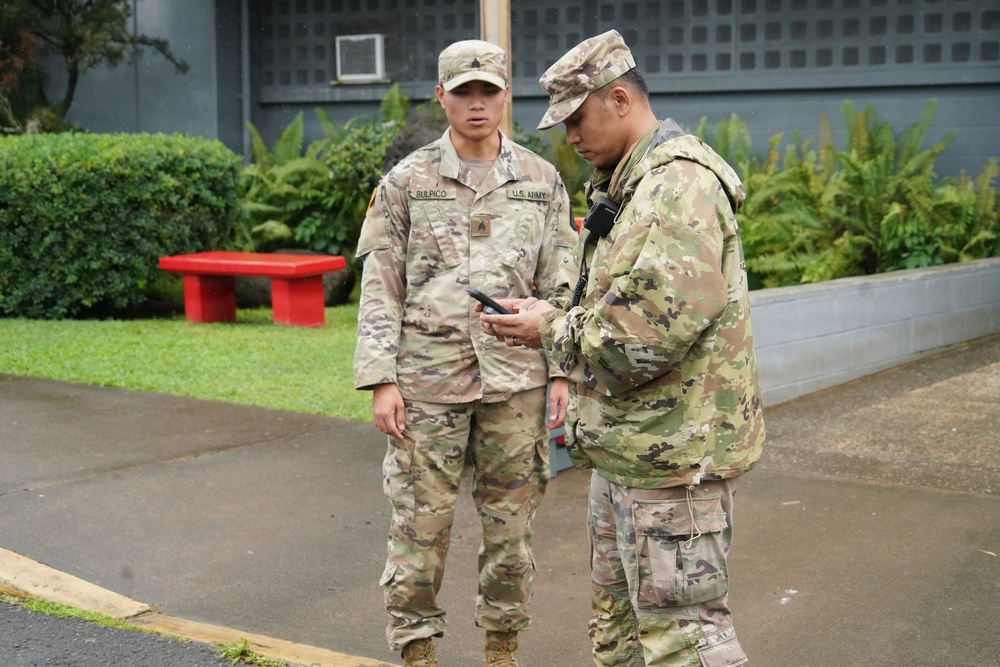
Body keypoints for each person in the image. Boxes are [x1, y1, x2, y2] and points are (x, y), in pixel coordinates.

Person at [479, 30, 766, 667]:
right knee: (621, 634)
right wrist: (553, 313)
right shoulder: (629, 184)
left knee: (684, 640)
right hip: (631, 452)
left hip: (673, 463)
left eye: (576, 119)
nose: (570, 137)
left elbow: (644, 335)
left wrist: (547, 329)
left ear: (619, 99)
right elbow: (616, 301)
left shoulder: (677, 188)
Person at [352, 39, 579, 667]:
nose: (477, 103)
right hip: (426, 383)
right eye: (463, 92)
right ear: (441, 97)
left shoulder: (541, 181)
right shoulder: (406, 182)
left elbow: (563, 282)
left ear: (506, 96)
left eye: (488, 91)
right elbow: (381, 285)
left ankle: (502, 647)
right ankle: (416, 648)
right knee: (419, 523)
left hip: (516, 382)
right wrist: (380, 379)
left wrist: (562, 370)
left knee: (512, 527)